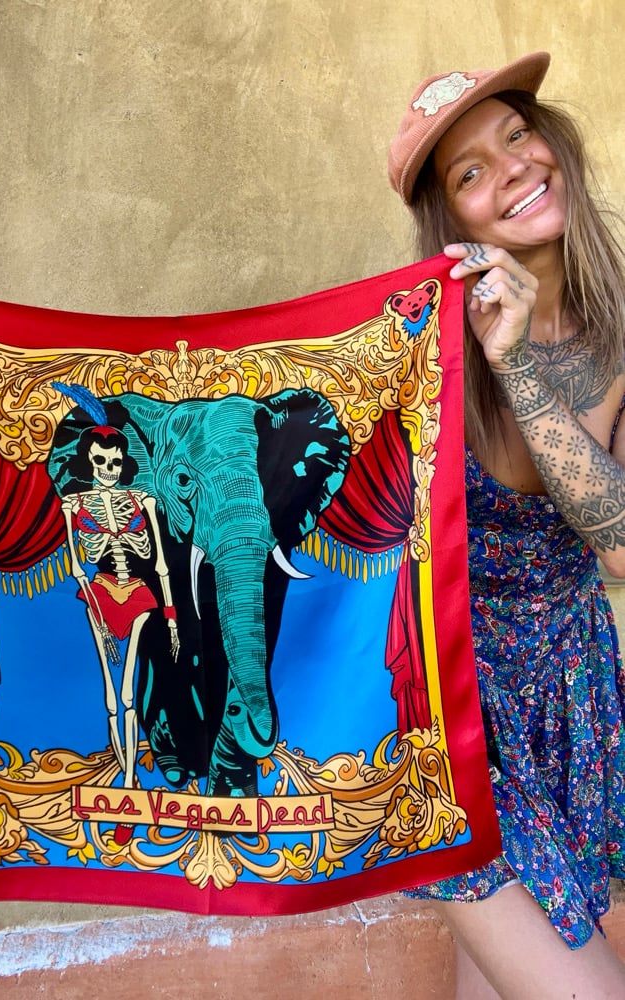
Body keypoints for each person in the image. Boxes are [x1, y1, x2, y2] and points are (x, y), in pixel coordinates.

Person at [388, 52, 625, 998]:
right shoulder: (416, 341)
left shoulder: (618, 331)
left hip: (568, 692)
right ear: (453, 221)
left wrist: (519, 364)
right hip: (448, 704)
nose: (514, 168)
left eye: (517, 134)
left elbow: (620, 548)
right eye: (471, 171)